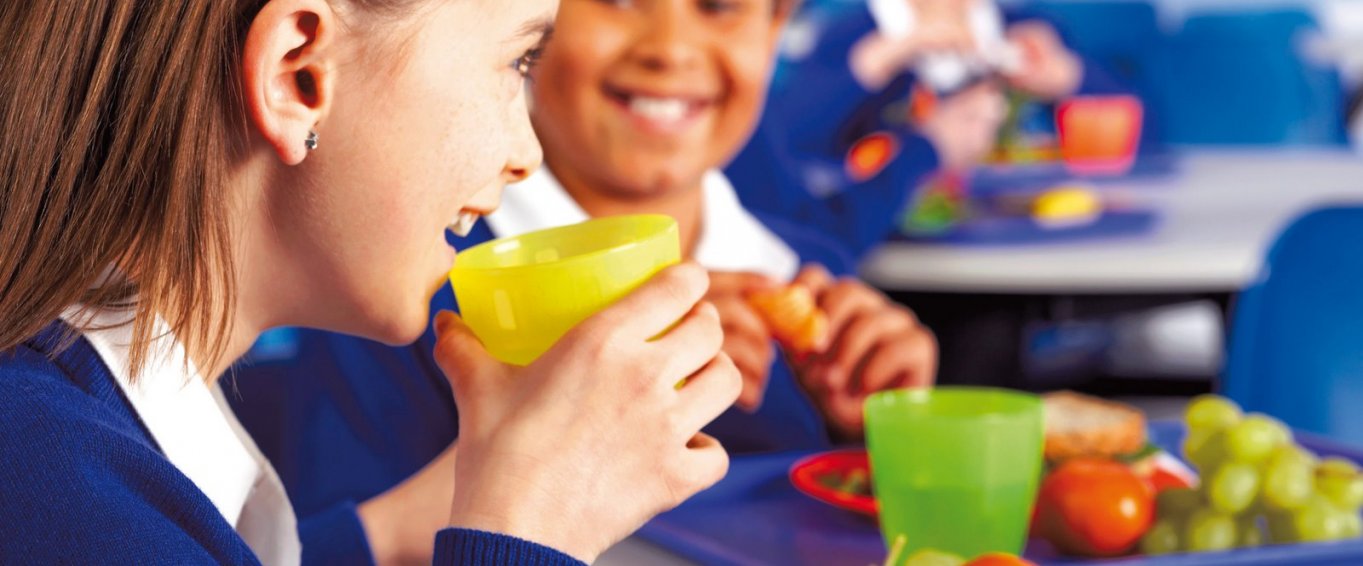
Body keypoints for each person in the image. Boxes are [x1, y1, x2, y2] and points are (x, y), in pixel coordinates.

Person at [0, 1, 741, 564]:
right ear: (300, 74)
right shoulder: (52, 494)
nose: (527, 155)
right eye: (517, 63)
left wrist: (393, 529)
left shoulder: (60, 443)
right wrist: (529, 526)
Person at [229, 0, 936, 560]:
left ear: (776, 23)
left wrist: (878, 436)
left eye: (719, 5)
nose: (670, 46)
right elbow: (314, 548)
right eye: (618, 0)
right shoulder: (395, 285)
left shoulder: (807, 269)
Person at [727, 0, 1122, 258]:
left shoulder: (1026, 31)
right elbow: (781, 139)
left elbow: (1140, 126)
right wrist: (879, 57)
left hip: (1026, 242)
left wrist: (1065, 75)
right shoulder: (852, 34)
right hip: (896, 249)